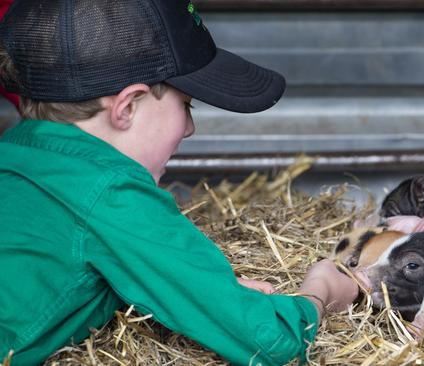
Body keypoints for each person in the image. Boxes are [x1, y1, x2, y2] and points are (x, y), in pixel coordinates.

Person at [0, 1, 359, 365]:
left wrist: (204, 293)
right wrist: (322, 292)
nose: (190, 128)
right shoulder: (112, 195)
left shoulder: (13, 156)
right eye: (186, 105)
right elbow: (271, 342)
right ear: (127, 107)